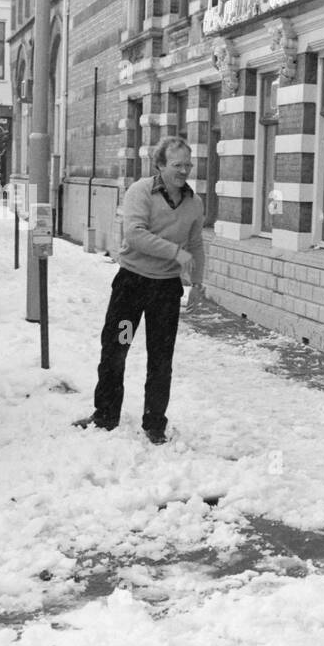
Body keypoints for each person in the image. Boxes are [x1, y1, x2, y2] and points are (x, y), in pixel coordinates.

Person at [74, 136, 206, 444]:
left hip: (165, 292)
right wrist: (176, 252)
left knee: (161, 358)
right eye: (177, 165)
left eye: (188, 164)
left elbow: (197, 244)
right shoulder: (140, 192)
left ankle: (155, 425)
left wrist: (198, 283)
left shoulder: (194, 203)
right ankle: (105, 415)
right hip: (132, 286)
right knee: (117, 348)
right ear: (160, 165)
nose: (184, 170)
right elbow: (134, 235)